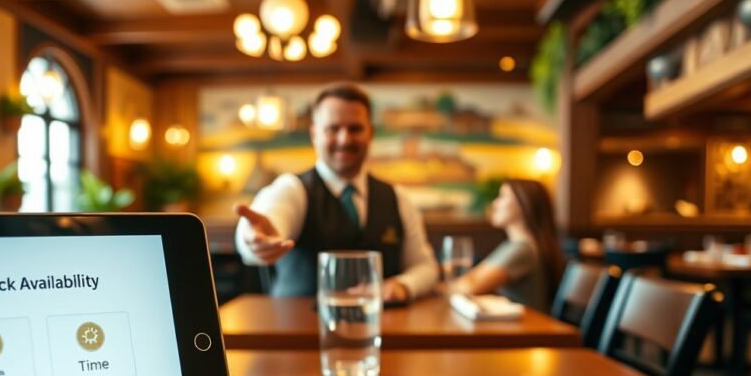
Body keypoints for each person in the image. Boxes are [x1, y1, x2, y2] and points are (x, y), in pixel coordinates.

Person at [234, 83, 438, 302]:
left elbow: (425, 267)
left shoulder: (397, 198)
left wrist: (402, 285)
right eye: (333, 128)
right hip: (297, 331)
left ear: (371, 132)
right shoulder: (292, 189)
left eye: (355, 128)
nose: (344, 139)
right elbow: (271, 216)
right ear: (314, 134)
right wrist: (256, 239)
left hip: (380, 330)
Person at [450, 179, 563, 312]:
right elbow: (470, 280)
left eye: (502, 196)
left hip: (525, 329)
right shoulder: (517, 246)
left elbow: (470, 287)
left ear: (523, 204)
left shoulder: (522, 250)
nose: (494, 203)